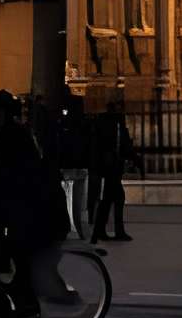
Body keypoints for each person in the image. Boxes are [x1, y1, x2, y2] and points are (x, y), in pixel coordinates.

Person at [0, 92, 75, 314]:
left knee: (19, 250)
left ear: (1, 111)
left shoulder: (12, 134)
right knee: (19, 254)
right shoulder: (8, 132)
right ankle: (19, 298)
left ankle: (27, 304)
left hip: (34, 205)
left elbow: (11, 169)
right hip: (30, 202)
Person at [89, 93, 134, 244]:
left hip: (111, 168)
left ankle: (101, 231)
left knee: (107, 200)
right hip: (111, 169)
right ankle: (110, 231)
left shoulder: (108, 123)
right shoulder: (112, 124)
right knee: (114, 199)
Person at [57, 93, 91, 242]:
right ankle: (78, 232)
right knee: (77, 204)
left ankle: (75, 231)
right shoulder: (82, 124)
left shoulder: (66, 125)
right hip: (77, 167)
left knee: (72, 203)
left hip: (70, 168)